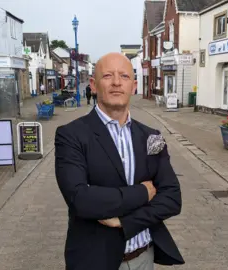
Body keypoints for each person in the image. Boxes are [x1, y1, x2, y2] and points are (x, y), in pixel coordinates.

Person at [55, 52, 184, 270]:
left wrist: (125, 222)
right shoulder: (71, 135)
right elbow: (80, 199)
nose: (116, 82)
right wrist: (143, 192)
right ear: (94, 85)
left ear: (133, 86)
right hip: (93, 261)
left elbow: (172, 198)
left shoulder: (151, 136)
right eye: (108, 76)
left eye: (124, 76)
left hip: (143, 257)